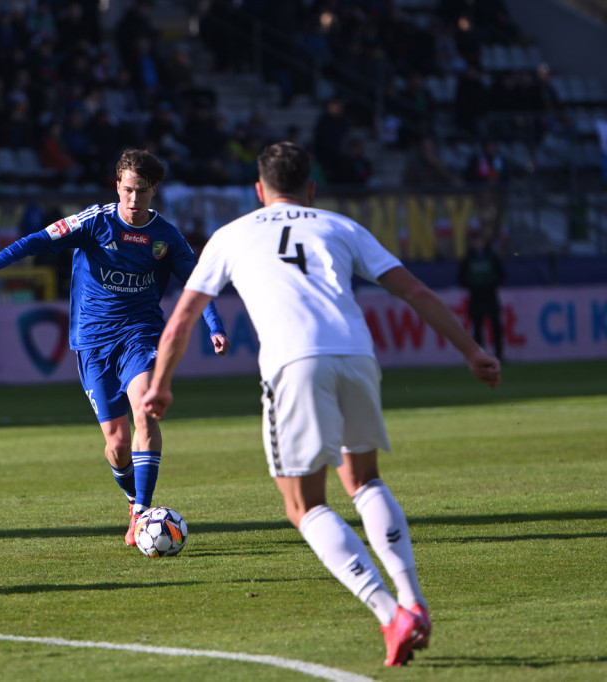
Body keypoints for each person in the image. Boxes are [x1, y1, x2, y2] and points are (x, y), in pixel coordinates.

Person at [142, 142, 501, 667]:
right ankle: (414, 599)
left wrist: (162, 383)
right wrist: (472, 350)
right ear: (311, 188)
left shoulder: (233, 234)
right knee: (365, 482)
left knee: (305, 505)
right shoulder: (339, 225)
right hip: (356, 354)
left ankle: (390, 614)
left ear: (258, 190)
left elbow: (182, 318)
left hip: (294, 362)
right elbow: (416, 292)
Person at [0, 149, 230, 545]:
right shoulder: (95, 221)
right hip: (93, 341)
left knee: (146, 411)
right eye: (126, 190)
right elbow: (38, 240)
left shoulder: (166, 237)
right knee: (117, 445)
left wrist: (215, 325)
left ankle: (141, 512)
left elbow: (196, 284)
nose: (133, 200)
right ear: (116, 186)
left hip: (140, 334)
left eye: (141, 191)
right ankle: (132, 496)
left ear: (154, 190)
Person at [458, 231, 506, 360]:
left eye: (479, 240)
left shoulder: (491, 256)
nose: (477, 244)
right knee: (478, 328)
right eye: (475, 241)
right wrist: (473, 285)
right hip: (476, 297)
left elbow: (501, 274)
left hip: (490, 295)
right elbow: (461, 278)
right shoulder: (468, 258)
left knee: (496, 327)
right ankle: (480, 356)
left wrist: (491, 283)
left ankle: (499, 355)